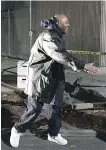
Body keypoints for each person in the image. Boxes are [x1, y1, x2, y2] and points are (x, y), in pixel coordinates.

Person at [10, 14, 100, 148]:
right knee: (35, 108)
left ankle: (53, 134)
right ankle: (17, 130)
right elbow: (58, 55)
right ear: (57, 23)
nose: (68, 25)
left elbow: (63, 55)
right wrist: (83, 65)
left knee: (54, 108)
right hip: (40, 78)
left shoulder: (57, 36)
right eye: (66, 22)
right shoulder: (48, 36)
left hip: (53, 77)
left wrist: (82, 66)